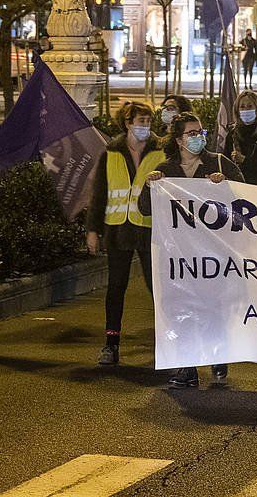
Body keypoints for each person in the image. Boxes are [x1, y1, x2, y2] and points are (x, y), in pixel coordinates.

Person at [140, 112, 243, 389]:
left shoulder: (219, 164)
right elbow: (145, 209)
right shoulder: (167, 171)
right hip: (177, 258)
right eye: (192, 133)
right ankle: (187, 366)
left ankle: (217, 353)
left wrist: (227, 187)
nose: (198, 138)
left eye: (201, 132)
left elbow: (245, 204)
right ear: (178, 139)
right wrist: (151, 186)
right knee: (180, 308)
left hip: (212, 255)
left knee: (211, 307)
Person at [86, 101, 165, 367]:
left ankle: (168, 342)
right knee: (116, 287)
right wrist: (93, 230)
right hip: (118, 229)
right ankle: (111, 343)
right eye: (140, 121)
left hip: (150, 229)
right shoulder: (111, 152)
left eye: (148, 121)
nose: (145, 126)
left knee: (158, 288)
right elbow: (99, 194)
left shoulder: (161, 151)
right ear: (128, 123)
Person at [223, 90, 257, 186]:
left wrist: (245, 160)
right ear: (238, 111)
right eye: (242, 107)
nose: (245, 110)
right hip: (237, 186)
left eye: (249, 106)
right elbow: (225, 164)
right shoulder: (232, 134)